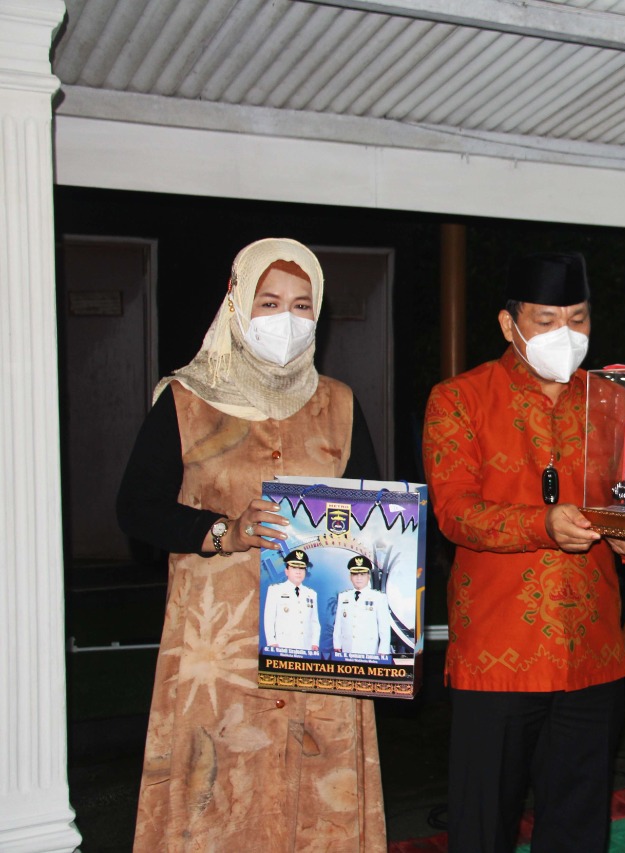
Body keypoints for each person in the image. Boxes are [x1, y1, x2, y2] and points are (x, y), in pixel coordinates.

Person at [116, 238, 385, 849]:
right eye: (269, 302)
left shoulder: (339, 404)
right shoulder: (186, 401)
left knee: (317, 802)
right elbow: (136, 508)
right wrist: (224, 531)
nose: (286, 319)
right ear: (236, 302)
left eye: (301, 305)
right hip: (219, 650)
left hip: (319, 648)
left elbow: (372, 516)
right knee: (217, 801)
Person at [423, 252, 625, 853]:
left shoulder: (612, 402)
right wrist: (543, 524)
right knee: (482, 827)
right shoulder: (459, 399)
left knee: (578, 828)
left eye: (577, 319)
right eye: (547, 320)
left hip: (593, 651)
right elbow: (454, 513)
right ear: (510, 324)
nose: (565, 334)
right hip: (498, 651)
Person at [262, 548, 322, 650]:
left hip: (306, 647)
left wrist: (315, 643)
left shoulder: (311, 594)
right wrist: (271, 642)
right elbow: (269, 618)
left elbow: (314, 621)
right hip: (283, 645)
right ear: (286, 571)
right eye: (294, 567)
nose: (298, 572)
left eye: (301, 568)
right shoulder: (275, 590)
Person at [334, 554, 392, 656]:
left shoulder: (378, 597)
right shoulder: (343, 597)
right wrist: (337, 644)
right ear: (350, 577)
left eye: (362, 574)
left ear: (368, 576)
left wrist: (383, 650)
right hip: (347, 648)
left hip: (368, 650)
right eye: (355, 574)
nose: (359, 578)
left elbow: (384, 627)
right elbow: (338, 623)